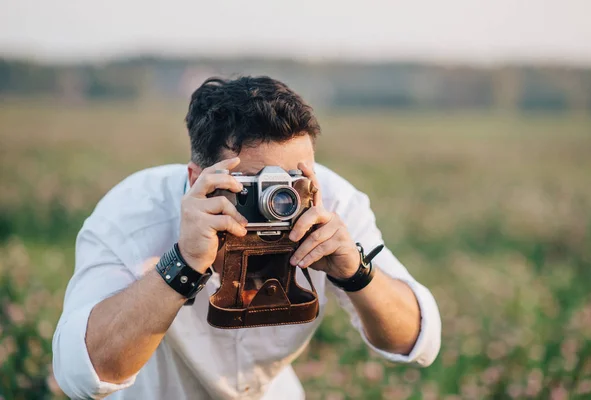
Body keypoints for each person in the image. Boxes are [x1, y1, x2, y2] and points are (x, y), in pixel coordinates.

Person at [52, 76, 441, 399]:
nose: (279, 202)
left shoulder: (330, 200)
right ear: (196, 180)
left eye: (290, 184)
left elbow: (418, 341)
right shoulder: (134, 213)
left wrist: (355, 272)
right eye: (251, 187)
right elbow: (81, 373)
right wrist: (183, 264)